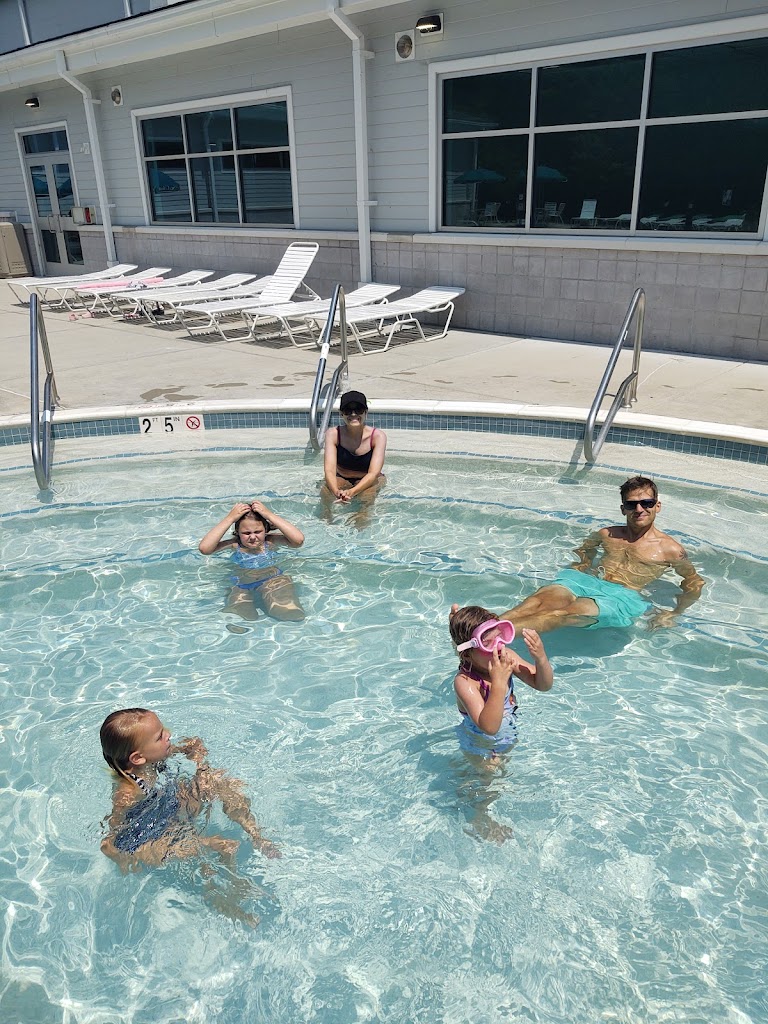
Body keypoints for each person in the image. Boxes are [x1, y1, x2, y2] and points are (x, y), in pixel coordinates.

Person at [100, 708, 280, 924]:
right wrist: (123, 857)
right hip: (149, 838)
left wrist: (198, 759)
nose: (168, 735)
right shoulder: (128, 792)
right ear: (137, 758)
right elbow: (114, 834)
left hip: (169, 808)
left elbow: (191, 746)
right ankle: (224, 896)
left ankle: (256, 835)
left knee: (217, 781)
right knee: (225, 846)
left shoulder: (154, 756)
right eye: (160, 736)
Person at [498, 476, 705, 632]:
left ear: (657, 506)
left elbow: (694, 582)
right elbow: (584, 550)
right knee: (536, 602)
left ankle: (493, 639)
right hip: (584, 581)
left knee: (561, 614)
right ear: (623, 509)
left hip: (620, 597)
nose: (639, 509)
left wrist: (674, 613)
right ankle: (486, 628)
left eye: (647, 503)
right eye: (631, 504)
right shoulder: (606, 534)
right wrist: (582, 565)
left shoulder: (671, 550)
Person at [449, 606, 553, 761]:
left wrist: (541, 658)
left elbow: (543, 685)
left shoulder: (506, 657)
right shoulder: (465, 682)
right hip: (479, 745)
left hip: (507, 733)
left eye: (500, 637)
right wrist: (499, 682)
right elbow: (489, 728)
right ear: (467, 654)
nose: (499, 647)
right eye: (487, 643)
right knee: (488, 774)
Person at [198, 500, 305, 621]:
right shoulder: (235, 544)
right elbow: (205, 549)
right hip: (242, 583)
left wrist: (269, 514)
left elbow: (298, 541)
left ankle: (282, 606)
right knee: (239, 613)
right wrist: (229, 519)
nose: (253, 537)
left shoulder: (270, 541)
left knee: (287, 608)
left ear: (265, 529)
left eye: (258, 532)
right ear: (237, 532)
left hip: (272, 580)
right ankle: (242, 609)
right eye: (246, 533)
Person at [323, 390, 387, 503]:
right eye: (348, 410)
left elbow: (373, 473)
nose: (353, 414)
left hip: (369, 479)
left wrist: (352, 492)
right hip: (341, 476)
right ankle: (326, 515)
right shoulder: (333, 434)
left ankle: (362, 514)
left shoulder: (378, 436)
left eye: (359, 410)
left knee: (367, 497)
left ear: (366, 412)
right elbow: (329, 471)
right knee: (325, 493)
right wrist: (336, 492)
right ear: (341, 413)